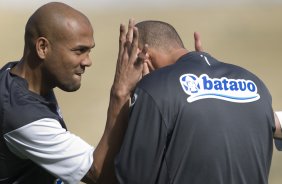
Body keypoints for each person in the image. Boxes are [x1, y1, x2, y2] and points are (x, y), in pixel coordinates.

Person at [0, 2, 203, 184]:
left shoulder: (14, 77)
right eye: (79, 51)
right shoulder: (22, 116)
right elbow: (101, 175)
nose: (88, 61)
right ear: (43, 47)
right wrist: (120, 93)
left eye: (89, 51)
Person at [115, 20, 282, 184]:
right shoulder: (255, 83)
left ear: (143, 56)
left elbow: (131, 177)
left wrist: (130, 94)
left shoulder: (155, 87)